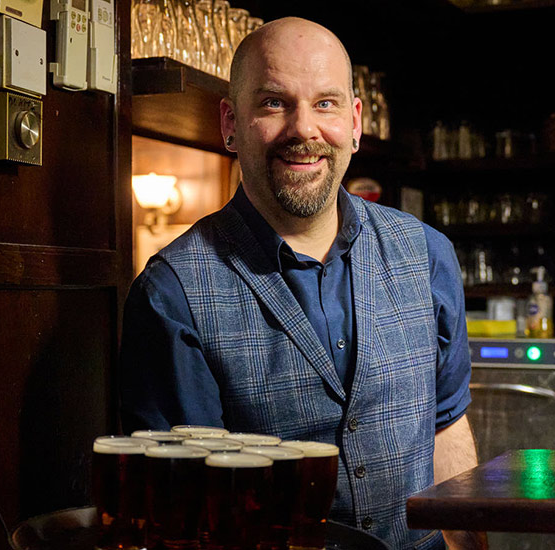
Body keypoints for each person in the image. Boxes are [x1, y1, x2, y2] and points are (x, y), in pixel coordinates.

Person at [120, 18, 479, 550]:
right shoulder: (172, 294)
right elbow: (189, 515)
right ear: (230, 123)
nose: (304, 130)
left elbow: (447, 431)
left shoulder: (428, 256)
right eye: (272, 103)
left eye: (326, 103)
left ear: (355, 123)